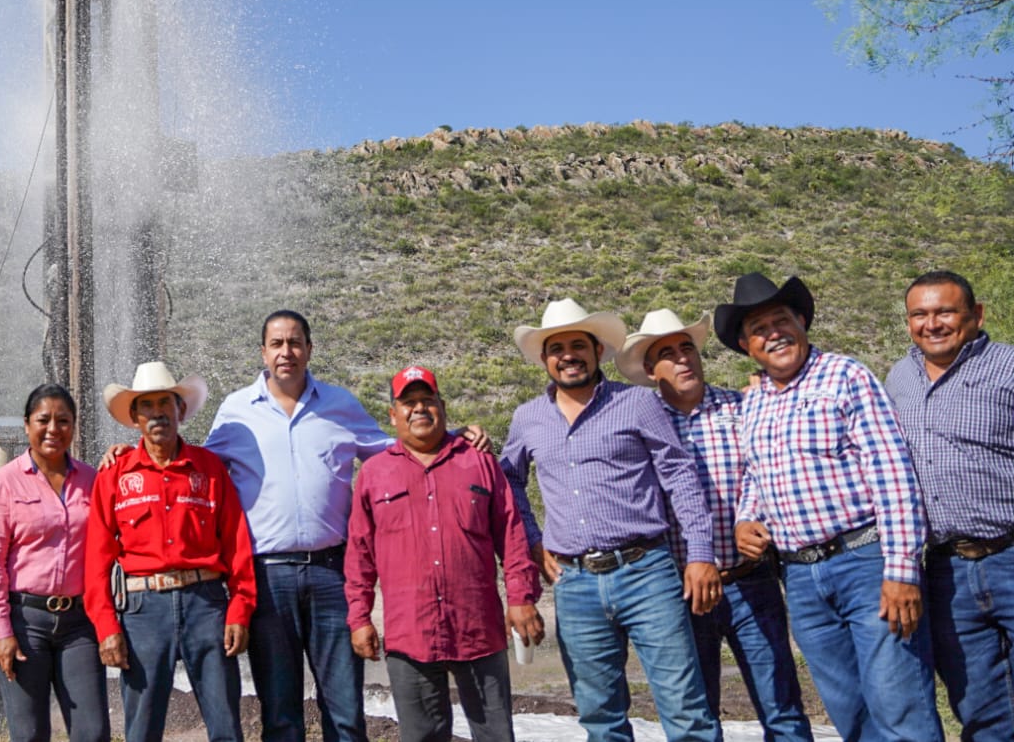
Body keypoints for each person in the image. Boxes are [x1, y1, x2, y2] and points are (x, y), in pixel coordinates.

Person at [718, 272, 942, 741]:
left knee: (899, 706)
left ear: (801, 321)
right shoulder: (754, 402)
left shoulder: (846, 375)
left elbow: (892, 471)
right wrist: (744, 519)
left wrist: (901, 569)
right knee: (849, 714)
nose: (773, 333)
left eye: (781, 319)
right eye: (759, 328)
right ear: (746, 344)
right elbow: (758, 475)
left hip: (866, 562)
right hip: (799, 577)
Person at [499, 299, 720, 742]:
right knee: (601, 718)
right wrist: (534, 543)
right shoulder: (528, 418)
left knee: (685, 710)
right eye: (556, 347)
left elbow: (679, 476)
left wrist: (699, 553)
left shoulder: (637, 403)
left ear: (597, 350)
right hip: (576, 584)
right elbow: (508, 482)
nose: (568, 355)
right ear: (544, 358)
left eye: (578, 344)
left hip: (647, 572)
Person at [614, 310, 813, 741]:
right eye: (667, 354)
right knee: (697, 712)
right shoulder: (639, 426)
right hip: (679, 589)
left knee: (781, 705)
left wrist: (751, 519)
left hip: (750, 580)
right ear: (650, 370)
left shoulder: (742, 407)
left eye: (687, 348)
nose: (683, 359)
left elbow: (767, 470)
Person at [201, 310, 388, 742]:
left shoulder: (340, 405)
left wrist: (454, 439)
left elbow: (390, 451)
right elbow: (198, 467)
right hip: (268, 577)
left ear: (310, 348)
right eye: (278, 344)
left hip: (332, 573)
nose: (287, 352)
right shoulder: (236, 410)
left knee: (344, 709)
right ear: (263, 352)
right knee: (281, 712)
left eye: (295, 342)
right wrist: (133, 455)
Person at [345, 366, 541, 742]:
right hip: (410, 635)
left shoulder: (480, 461)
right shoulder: (374, 473)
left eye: (427, 400)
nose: (419, 409)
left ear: (442, 407)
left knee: (496, 735)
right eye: (408, 403)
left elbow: (512, 533)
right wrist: (359, 618)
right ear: (393, 414)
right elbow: (359, 555)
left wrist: (521, 596)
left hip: (478, 630)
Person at [83, 361, 256, 742]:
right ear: (134, 416)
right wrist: (106, 626)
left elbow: (237, 542)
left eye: (165, 402)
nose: (157, 412)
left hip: (206, 605)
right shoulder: (114, 475)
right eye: (147, 405)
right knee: (142, 729)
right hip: (143, 613)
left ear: (180, 410)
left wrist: (240, 608)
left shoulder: (209, 468)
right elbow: (96, 560)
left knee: (226, 726)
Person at [883, 270, 1014, 740]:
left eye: (945, 311)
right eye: (919, 314)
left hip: (1010, 550)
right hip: (945, 571)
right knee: (979, 705)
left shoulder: (1009, 366)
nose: (932, 323)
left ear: (976, 315)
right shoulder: (898, 378)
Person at [0, 384, 109, 742]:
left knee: (92, 732)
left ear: (74, 426)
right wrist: (0, 631)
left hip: (80, 625)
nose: (53, 429)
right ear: (26, 425)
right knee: (29, 733)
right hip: (24, 622)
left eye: (63, 420)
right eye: (43, 420)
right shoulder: (4, 482)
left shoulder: (92, 480)